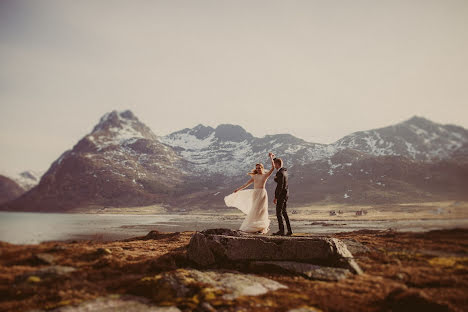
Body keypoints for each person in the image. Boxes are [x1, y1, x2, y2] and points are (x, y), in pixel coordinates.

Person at [224, 152, 276, 234]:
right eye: (257, 168)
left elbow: (273, 168)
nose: (258, 169)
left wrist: (271, 157)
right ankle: (254, 226)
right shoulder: (254, 176)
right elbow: (246, 184)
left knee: (261, 210)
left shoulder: (265, 175)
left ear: (262, 168)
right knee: (255, 209)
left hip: (262, 193)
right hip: (255, 193)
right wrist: (238, 189)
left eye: (259, 168)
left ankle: (261, 227)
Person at [272, 157, 292, 236]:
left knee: (278, 213)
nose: (273, 166)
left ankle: (281, 231)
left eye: (274, 164)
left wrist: (276, 197)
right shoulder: (285, 171)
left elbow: (280, 186)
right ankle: (289, 230)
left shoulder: (279, 173)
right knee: (284, 212)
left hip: (281, 195)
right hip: (286, 195)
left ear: (277, 164)